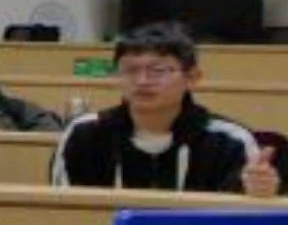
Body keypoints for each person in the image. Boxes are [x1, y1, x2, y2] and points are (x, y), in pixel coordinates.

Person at [52, 22, 280, 196]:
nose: (142, 81)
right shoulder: (84, 134)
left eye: (158, 71)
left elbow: (240, 223)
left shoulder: (230, 141)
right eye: (130, 70)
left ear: (192, 77)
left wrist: (258, 192)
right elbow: (63, 212)